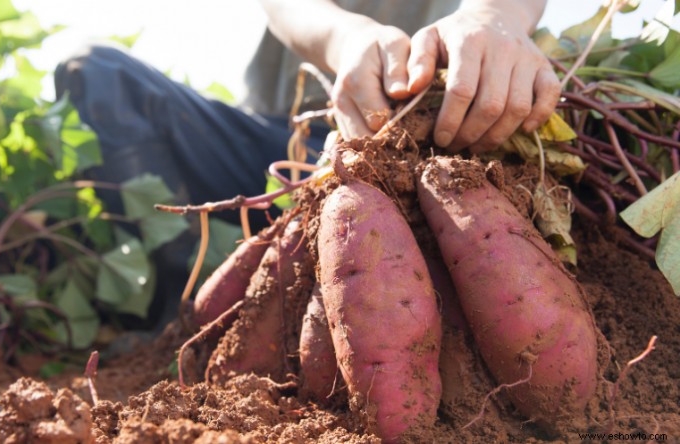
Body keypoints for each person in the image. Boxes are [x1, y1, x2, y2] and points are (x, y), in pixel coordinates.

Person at [54, 0, 559, 327]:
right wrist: (345, 39)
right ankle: (176, 308)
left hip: (443, 149)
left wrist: (496, 17)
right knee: (95, 71)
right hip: (290, 143)